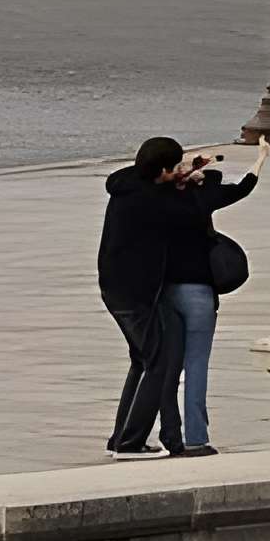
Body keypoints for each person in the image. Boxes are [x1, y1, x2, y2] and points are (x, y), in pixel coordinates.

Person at [162, 141, 266, 458]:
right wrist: (262, 156)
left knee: (164, 368)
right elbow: (245, 185)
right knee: (196, 366)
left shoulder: (160, 198)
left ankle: (165, 433)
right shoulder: (204, 200)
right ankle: (196, 438)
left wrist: (191, 165)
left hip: (165, 291)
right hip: (199, 293)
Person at [98, 137, 189, 457]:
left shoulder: (127, 183)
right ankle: (131, 443)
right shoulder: (151, 202)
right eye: (175, 166)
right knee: (159, 363)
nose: (179, 170)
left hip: (114, 288)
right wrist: (190, 184)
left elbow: (155, 187)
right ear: (162, 170)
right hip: (135, 293)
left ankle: (120, 438)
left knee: (141, 359)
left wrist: (174, 178)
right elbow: (181, 215)